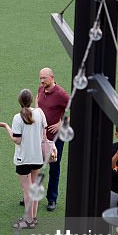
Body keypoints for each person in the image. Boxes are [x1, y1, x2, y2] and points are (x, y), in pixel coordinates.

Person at [1, 88, 48, 229]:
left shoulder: (17, 117)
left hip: (23, 159)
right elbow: (44, 133)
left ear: (19, 101)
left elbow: (17, 140)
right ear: (31, 100)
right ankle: (33, 218)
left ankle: (28, 221)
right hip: (37, 157)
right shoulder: (40, 113)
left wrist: (6, 127)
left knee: (27, 189)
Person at [37, 67, 69, 212]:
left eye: (44, 78)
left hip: (55, 139)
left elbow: (74, 108)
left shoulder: (61, 94)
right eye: (40, 78)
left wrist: (61, 124)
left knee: (54, 168)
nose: (42, 81)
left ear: (52, 77)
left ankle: (52, 199)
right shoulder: (41, 90)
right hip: (40, 136)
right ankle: (32, 196)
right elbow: (38, 101)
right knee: (35, 166)